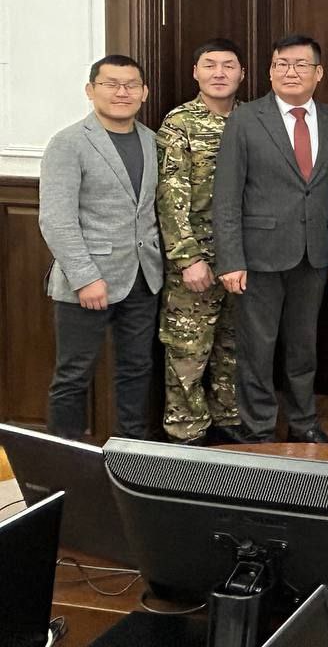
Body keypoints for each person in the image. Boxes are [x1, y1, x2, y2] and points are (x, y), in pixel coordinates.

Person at [212, 34, 328, 444]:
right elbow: (227, 194)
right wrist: (230, 259)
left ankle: (304, 423)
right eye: (281, 64)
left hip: (313, 253)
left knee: (304, 347)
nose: (290, 72)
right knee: (257, 349)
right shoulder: (246, 119)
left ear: (318, 73)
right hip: (258, 256)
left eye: (301, 64)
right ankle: (259, 430)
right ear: (270, 72)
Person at [40, 55, 164, 440]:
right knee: (73, 376)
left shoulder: (153, 141)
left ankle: (132, 457)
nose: (121, 92)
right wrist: (85, 278)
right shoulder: (68, 143)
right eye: (111, 84)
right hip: (88, 283)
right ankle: (64, 462)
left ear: (144, 93)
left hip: (144, 278)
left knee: (137, 370)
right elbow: (56, 219)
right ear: (90, 90)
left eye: (131, 85)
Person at [155, 38, 247, 445]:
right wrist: (187, 257)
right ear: (195, 72)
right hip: (197, 258)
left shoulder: (253, 118)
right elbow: (170, 195)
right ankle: (187, 431)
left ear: (242, 73)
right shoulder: (180, 123)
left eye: (228, 65)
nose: (219, 73)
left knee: (235, 345)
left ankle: (229, 418)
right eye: (210, 65)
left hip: (242, 256)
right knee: (188, 350)